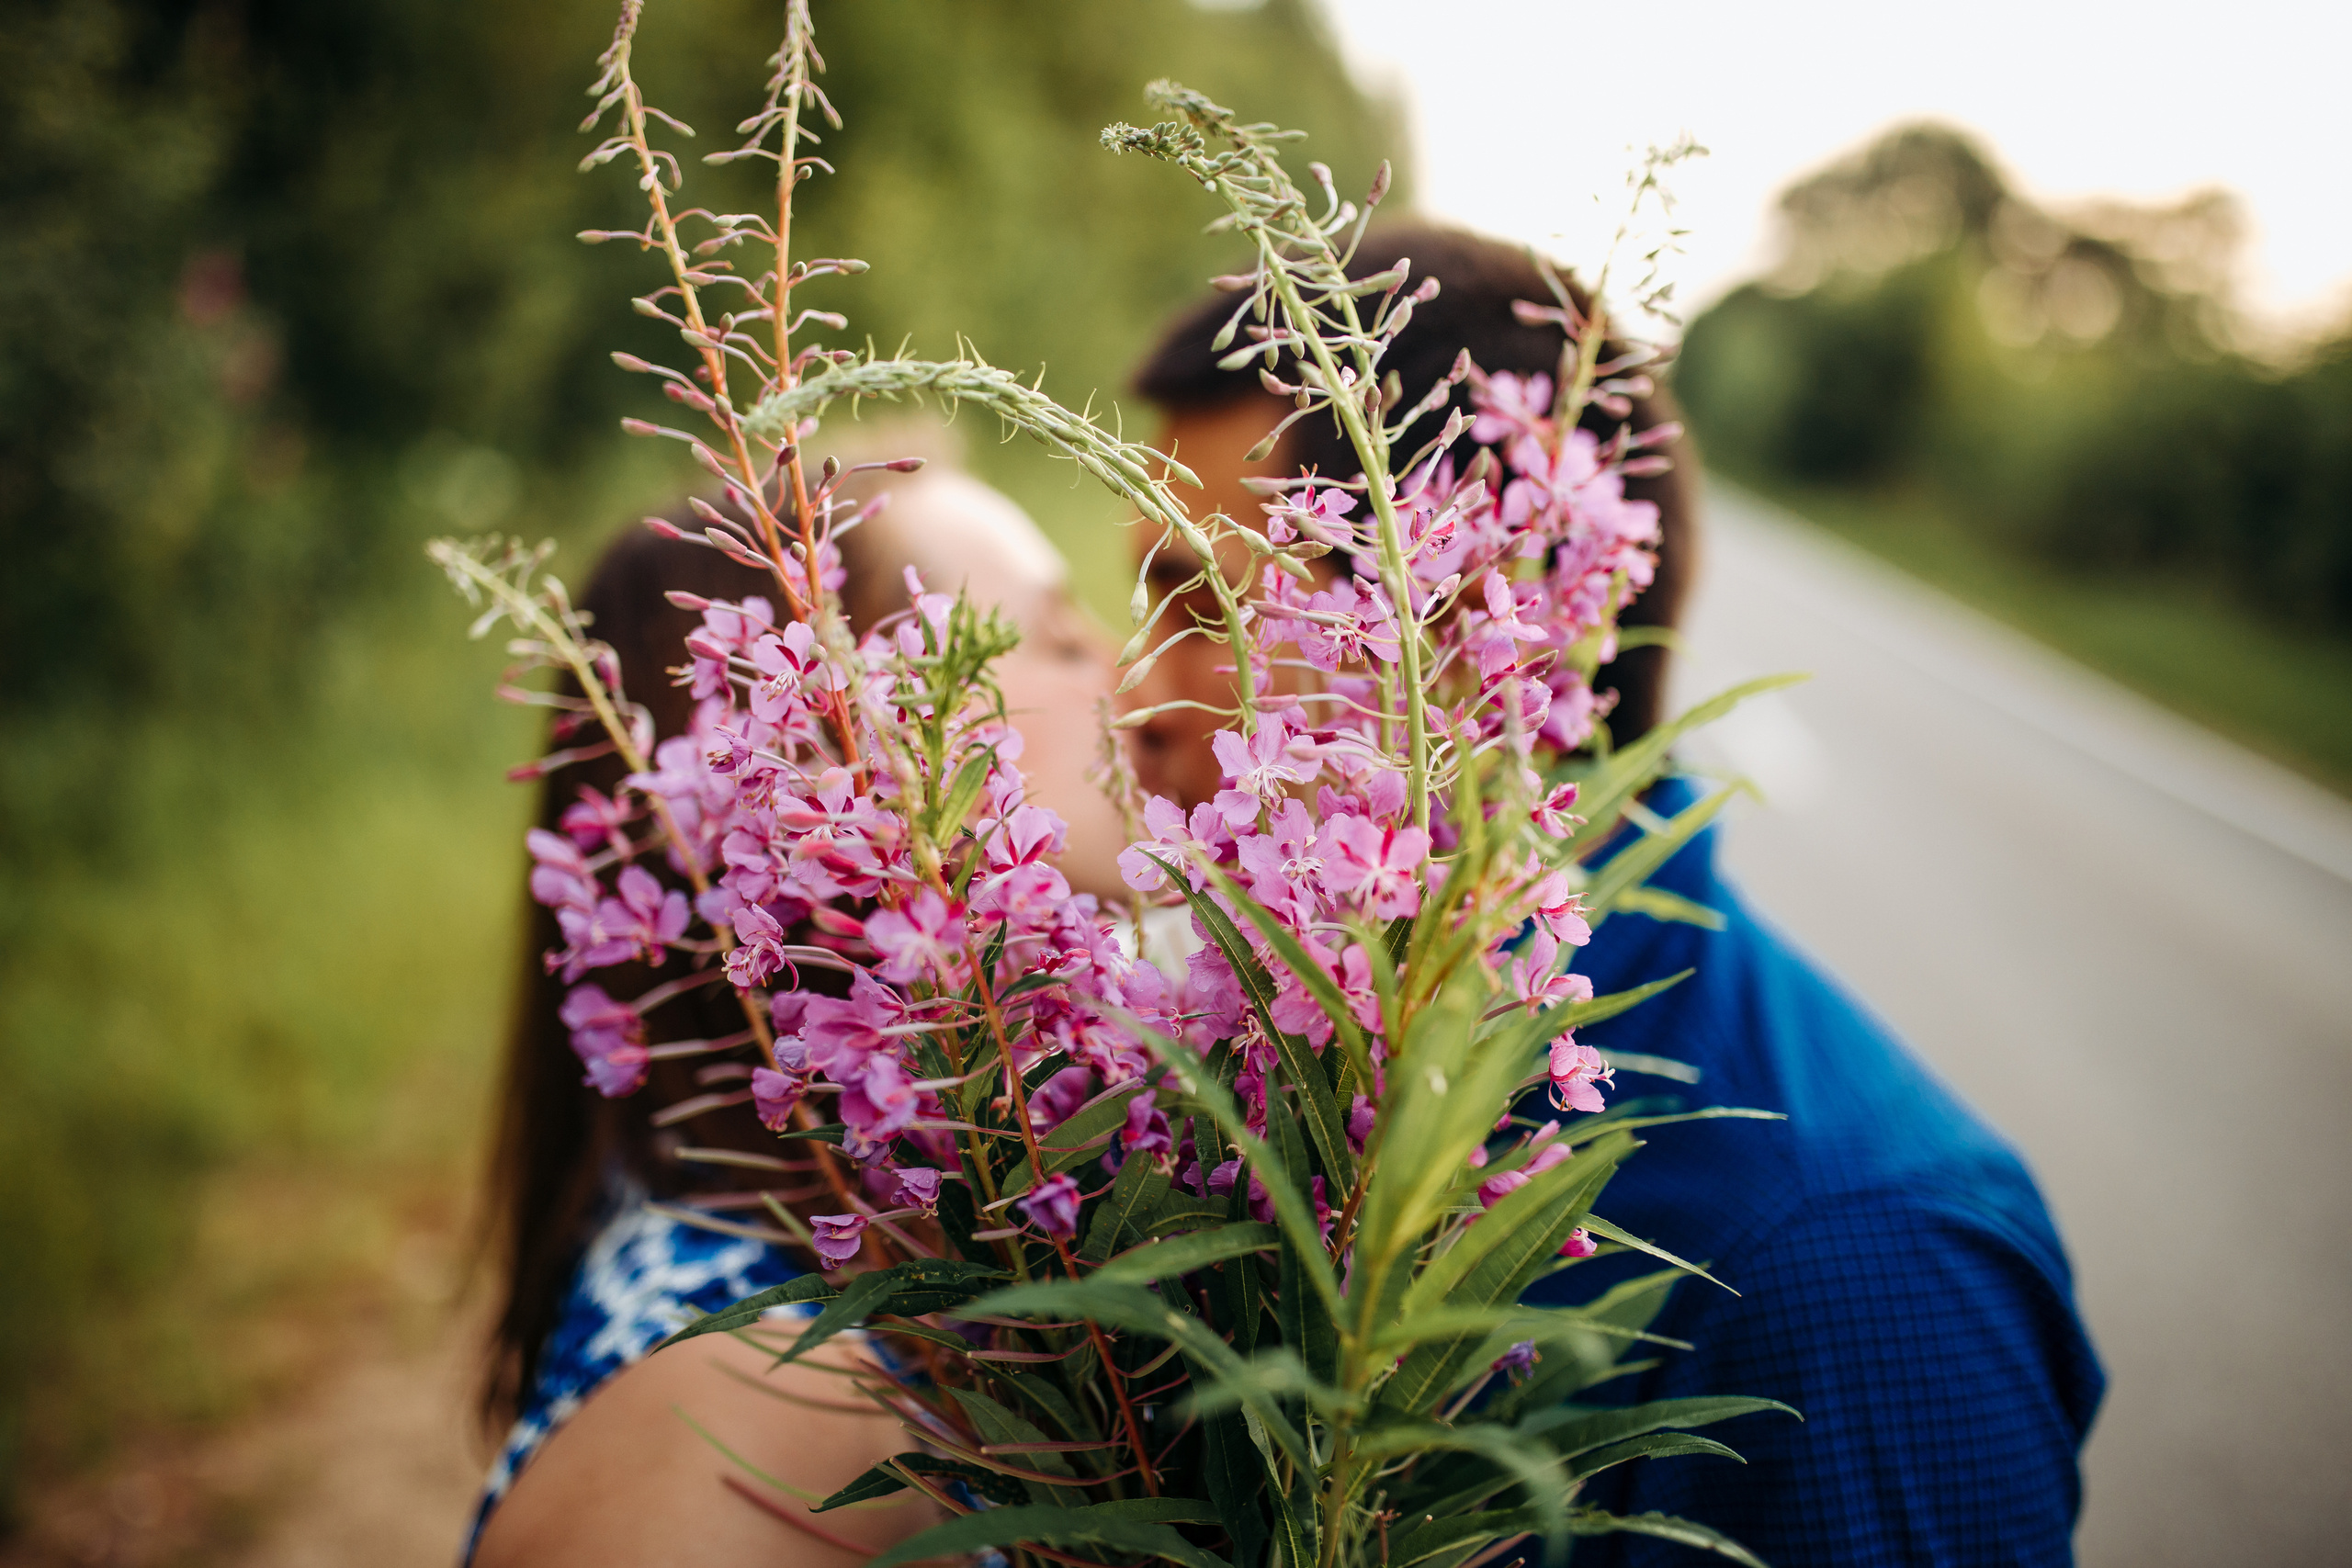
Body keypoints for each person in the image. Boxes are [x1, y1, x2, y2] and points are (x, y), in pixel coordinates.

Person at [1125, 222, 2106, 1565]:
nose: (1135, 699)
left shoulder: (1851, 1267)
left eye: (1199, 608)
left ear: (1456, 625)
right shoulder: (1263, 1053)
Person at [467, 444, 1129, 1566]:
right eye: (1060, 637)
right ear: (824, 755)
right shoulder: (743, 1411)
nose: (1123, 670)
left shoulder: (974, 1204)